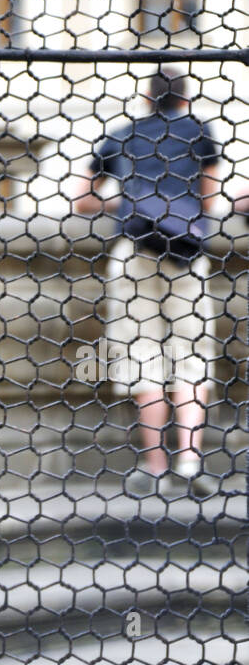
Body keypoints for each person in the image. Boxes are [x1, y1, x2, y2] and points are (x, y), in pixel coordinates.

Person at [70, 69, 221, 498]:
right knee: (192, 356)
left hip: (135, 253)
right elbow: (208, 201)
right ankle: (189, 464)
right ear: (184, 100)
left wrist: (129, 201)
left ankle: (155, 468)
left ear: (146, 99)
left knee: (141, 358)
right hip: (187, 256)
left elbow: (82, 200)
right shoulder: (199, 132)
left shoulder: (120, 135)